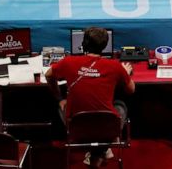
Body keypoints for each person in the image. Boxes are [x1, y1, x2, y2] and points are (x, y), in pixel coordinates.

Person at [45, 27, 133, 168]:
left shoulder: (68, 62)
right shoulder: (116, 66)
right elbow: (131, 90)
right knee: (120, 106)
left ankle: (95, 153)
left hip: (77, 128)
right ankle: (102, 150)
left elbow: (48, 75)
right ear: (104, 46)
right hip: (108, 127)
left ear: (84, 44)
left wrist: (59, 98)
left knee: (63, 106)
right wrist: (125, 72)